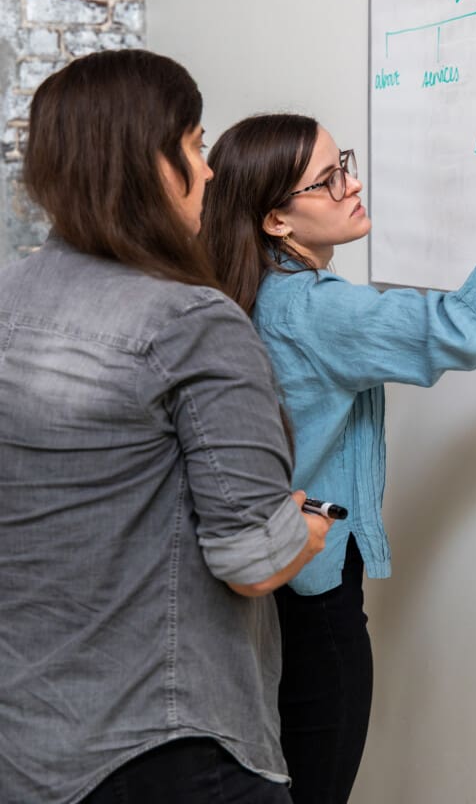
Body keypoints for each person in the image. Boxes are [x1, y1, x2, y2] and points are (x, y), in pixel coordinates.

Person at [200, 87, 476, 804]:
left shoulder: (237, 290)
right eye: (329, 178)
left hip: (256, 597)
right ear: (276, 219)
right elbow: (464, 326)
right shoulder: (314, 309)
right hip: (311, 603)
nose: (354, 182)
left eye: (345, 162)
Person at [0, 49, 334, 804]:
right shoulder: (190, 322)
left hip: (26, 738)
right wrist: (306, 529)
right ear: (147, 164)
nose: (210, 171)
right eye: (193, 145)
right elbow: (252, 559)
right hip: (162, 744)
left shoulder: (8, 295)